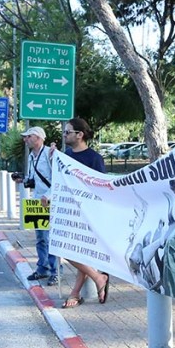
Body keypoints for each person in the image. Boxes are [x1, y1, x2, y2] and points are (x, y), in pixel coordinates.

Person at [53, 118, 110, 308]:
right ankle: (97, 278)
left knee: (79, 251)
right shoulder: (66, 155)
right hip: (70, 210)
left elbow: (101, 186)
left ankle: (78, 292)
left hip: (88, 213)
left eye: (67, 132)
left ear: (80, 134)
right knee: (64, 248)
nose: (64, 135)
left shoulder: (95, 158)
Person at [21, 126, 58, 286]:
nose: (25, 140)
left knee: (50, 237)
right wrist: (23, 179)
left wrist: (48, 195)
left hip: (50, 201)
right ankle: (42, 268)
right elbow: (34, 178)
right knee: (40, 237)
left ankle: (56, 271)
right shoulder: (31, 156)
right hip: (37, 201)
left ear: (38, 138)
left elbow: (58, 179)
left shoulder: (50, 154)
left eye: (28, 137)